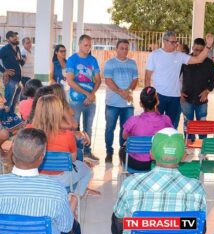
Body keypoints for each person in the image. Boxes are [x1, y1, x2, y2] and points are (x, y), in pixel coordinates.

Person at [112, 127, 207, 234]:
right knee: (200, 222)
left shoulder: (131, 183)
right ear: (183, 156)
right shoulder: (197, 188)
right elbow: (198, 225)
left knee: (116, 218)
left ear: (151, 154)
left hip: (141, 233)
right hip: (179, 232)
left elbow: (119, 218)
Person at [0, 128, 80, 234]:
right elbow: (66, 227)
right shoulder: (56, 190)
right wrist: (73, 204)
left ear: (12, 151)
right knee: (76, 227)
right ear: (41, 158)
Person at [28, 94, 96, 197]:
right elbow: (72, 159)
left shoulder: (28, 131)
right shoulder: (67, 135)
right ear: (58, 112)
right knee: (87, 171)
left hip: (35, 177)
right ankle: (73, 203)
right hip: (61, 179)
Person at [145, 31, 214, 129]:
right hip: (158, 96)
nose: (175, 44)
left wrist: (208, 46)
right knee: (155, 124)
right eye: (172, 42)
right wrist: (148, 96)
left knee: (171, 126)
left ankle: (169, 144)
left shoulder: (180, 55)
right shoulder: (154, 55)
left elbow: (199, 59)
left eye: (176, 42)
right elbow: (147, 76)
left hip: (175, 97)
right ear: (164, 41)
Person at [66, 34, 101, 162]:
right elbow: (70, 81)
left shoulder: (93, 60)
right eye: (85, 45)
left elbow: (98, 80)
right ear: (79, 45)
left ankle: (87, 152)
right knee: (74, 127)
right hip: (75, 100)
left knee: (88, 127)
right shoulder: (72, 59)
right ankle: (75, 153)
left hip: (91, 100)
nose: (88, 48)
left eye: (89, 45)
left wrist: (91, 95)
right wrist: (87, 94)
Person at [121, 86, 173, 171]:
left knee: (122, 150)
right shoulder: (166, 120)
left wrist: (135, 136)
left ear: (141, 103)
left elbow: (124, 136)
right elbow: (171, 136)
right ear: (157, 102)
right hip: (157, 163)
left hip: (136, 163)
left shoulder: (133, 120)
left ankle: (129, 177)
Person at [103, 39, 138, 163]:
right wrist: (121, 92)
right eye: (122, 48)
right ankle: (109, 152)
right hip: (112, 103)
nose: (124, 50)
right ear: (116, 49)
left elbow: (135, 80)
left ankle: (123, 153)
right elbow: (108, 80)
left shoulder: (133, 63)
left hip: (128, 104)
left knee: (126, 130)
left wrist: (128, 92)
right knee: (109, 128)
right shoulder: (109, 63)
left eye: (126, 48)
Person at [181, 38, 214, 141]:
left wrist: (207, 91)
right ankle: (189, 145)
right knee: (188, 124)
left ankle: (202, 148)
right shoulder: (185, 60)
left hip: (202, 100)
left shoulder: (209, 63)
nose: (198, 53)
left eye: (201, 50)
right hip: (186, 99)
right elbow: (176, 77)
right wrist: (179, 92)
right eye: (196, 50)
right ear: (192, 47)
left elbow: (213, 80)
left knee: (202, 126)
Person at [0, 31, 25, 113]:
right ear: (8, 39)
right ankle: (4, 121)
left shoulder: (17, 48)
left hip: (18, 80)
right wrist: (4, 71)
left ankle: (11, 118)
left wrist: (20, 59)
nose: (15, 37)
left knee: (14, 103)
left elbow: (21, 63)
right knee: (8, 102)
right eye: (12, 36)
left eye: (16, 36)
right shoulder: (4, 49)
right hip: (10, 80)